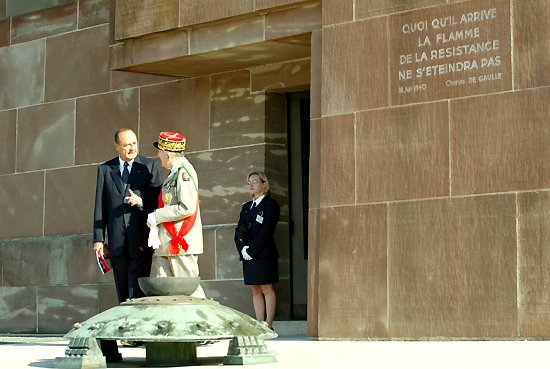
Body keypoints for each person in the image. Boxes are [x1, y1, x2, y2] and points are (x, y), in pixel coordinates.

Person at [92, 128, 163, 360]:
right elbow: (99, 206)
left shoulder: (149, 166)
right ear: (116, 146)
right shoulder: (105, 169)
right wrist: (98, 239)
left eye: (134, 143)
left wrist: (141, 201)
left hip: (141, 236)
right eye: (126, 145)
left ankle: (139, 331)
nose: (132, 148)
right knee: (122, 286)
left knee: (139, 285)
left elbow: (159, 200)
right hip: (116, 239)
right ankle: (127, 331)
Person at [146, 131, 206, 298]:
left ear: (167, 154)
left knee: (190, 292)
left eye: (159, 151)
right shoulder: (175, 172)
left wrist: (156, 216)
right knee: (161, 291)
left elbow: (187, 207)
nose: (158, 155)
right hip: (167, 242)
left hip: (180, 243)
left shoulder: (184, 172)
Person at [234, 171, 280, 329]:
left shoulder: (270, 205)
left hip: (264, 253)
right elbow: (239, 229)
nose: (251, 185)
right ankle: (259, 323)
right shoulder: (246, 207)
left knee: (266, 287)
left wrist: (251, 250)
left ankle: (268, 324)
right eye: (249, 182)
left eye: (254, 181)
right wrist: (242, 249)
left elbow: (266, 231)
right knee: (255, 289)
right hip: (247, 254)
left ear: (264, 185)